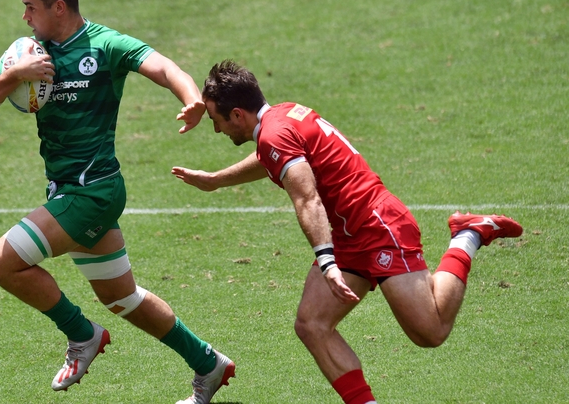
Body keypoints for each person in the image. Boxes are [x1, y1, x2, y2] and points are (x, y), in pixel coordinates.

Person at [171, 60, 523, 404]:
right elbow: (272, 159)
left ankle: (468, 234)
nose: (217, 130)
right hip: (348, 232)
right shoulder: (283, 116)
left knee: (430, 332)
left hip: (378, 226)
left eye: (217, 121)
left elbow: (307, 199)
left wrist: (327, 263)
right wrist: (216, 180)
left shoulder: (275, 136)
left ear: (237, 115)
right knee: (312, 324)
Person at [0, 0, 234, 404]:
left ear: (60, 6)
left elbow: (162, 66)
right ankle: (209, 363)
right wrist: (15, 75)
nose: (25, 17)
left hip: (93, 192)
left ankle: (81, 335)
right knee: (122, 298)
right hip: (69, 191)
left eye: (31, 8)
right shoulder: (28, 52)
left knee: (1, 262)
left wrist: (191, 99)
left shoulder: (105, 45)